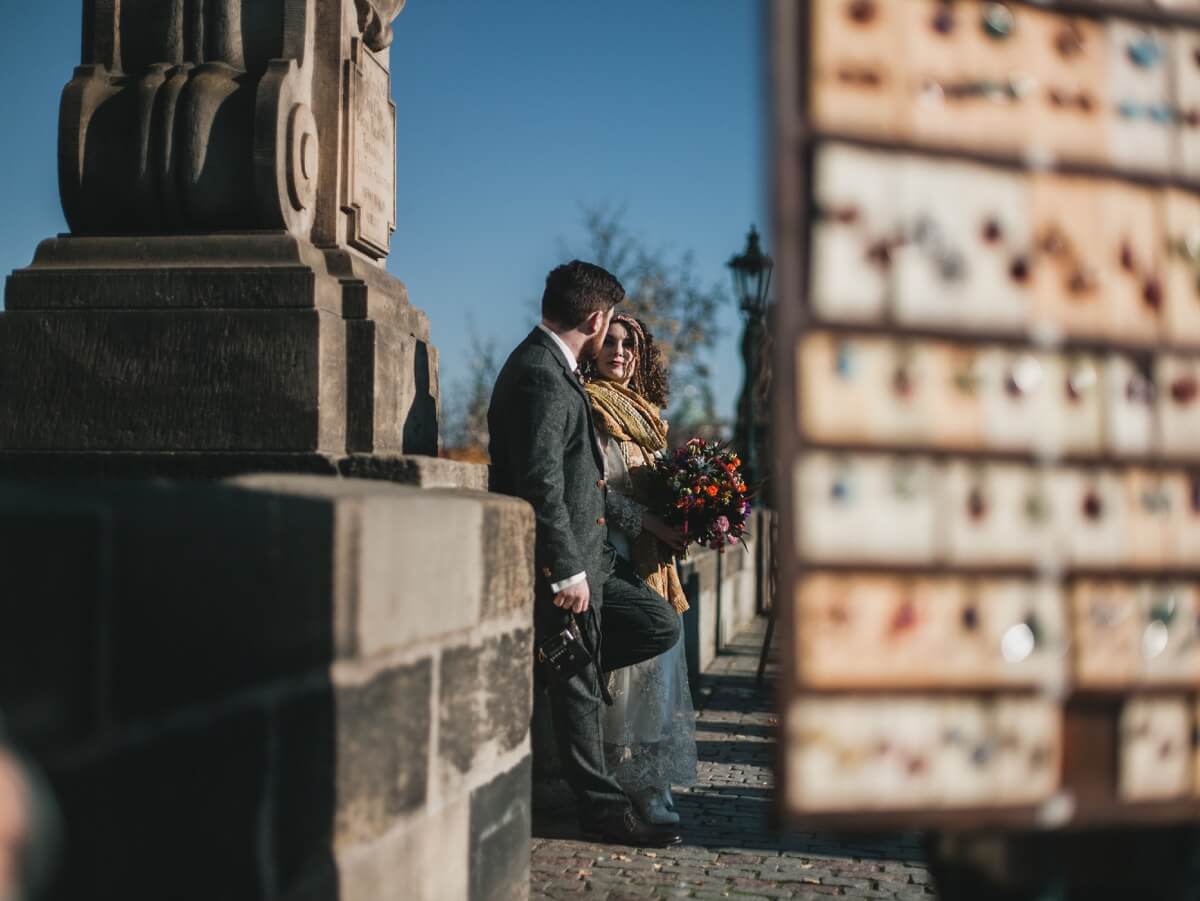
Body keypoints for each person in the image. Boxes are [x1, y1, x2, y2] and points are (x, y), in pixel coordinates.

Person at [488, 260, 682, 847]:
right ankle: (604, 810)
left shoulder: (553, 366)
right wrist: (566, 568)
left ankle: (563, 678)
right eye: (609, 325)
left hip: (596, 560)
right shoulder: (541, 372)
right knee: (573, 677)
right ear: (596, 318)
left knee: (657, 625)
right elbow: (541, 480)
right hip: (569, 566)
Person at [583, 313, 697, 827]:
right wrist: (649, 519)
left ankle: (653, 780)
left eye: (629, 343)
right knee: (626, 678)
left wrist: (691, 514)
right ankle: (624, 785)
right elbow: (597, 490)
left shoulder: (647, 415)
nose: (620, 350)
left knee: (657, 675)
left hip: (654, 561)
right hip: (613, 554)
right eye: (609, 340)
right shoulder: (589, 405)